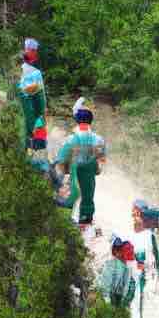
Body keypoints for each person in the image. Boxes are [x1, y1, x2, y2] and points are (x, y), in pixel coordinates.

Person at [53, 97, 105, 229]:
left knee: (64, 215)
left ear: (77, 121)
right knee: (86, 222)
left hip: (73, 187)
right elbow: (99, 169)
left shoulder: (71, 140)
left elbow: (60, 164)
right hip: (88, 190)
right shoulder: (99, 140)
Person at [17, 38, 47, 148]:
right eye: (34, 50)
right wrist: (42, 116)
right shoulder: (35, 73)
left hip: (19, 115)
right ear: (28, 51)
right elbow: (40, 100)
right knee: (35, 144)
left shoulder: (17, 71)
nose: (36, 53)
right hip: (32, 115)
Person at [96, 236, 136, 308]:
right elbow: (105, 288)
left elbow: (129, 287)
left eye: (131, 249)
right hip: (110, 302)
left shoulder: (126, 267)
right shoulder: (111, 265)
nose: (131, 251)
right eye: (127, 249)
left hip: (119, 303)